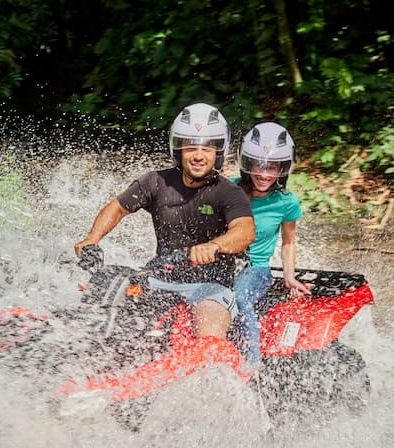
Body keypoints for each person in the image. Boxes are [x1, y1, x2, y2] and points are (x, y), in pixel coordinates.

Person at [75, 103, 255, 339]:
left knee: (209, 331)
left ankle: (212, 368)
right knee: (104, 303)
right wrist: (92, 238)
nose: (199, 156)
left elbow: (245, 230)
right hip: (159, 279)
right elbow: (117, 208)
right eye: (191, 147)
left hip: (211, 287)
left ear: (218, 152)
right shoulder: (156, 182)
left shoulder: (229, 192)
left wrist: (214, 246)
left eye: (207, 148)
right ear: (178, 149)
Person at [232, 122, 312, 364]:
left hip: (256, 269)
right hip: (223, 261)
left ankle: (252, 365)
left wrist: (289, 276)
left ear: (283, 168)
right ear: (248, 163)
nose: (265, 175)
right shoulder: (230, 189)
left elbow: (288, 242)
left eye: (273, 168)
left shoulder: (286, 202)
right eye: (259, 165)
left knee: (240, 297)